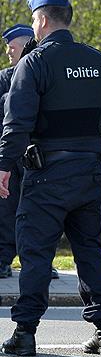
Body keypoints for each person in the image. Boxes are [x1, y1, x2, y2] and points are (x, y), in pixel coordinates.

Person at [0, 0, 101, 357]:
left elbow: (17, 122)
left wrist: (4, 166)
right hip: (89, 175)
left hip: (46, 177)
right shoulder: (97, 61)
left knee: (36, 253)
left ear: (41, 20)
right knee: (90, 251)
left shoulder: (34, 63)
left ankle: (25, 332)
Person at [0, 25, 35, 280]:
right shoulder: (3, 79)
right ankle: (3, 259)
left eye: (13, 47)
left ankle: (34, 260)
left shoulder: (41, 72)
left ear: (26, 46)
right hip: (9, 155)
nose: (8, 52)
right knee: (6, 209)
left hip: (36, 155)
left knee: (35, 210)